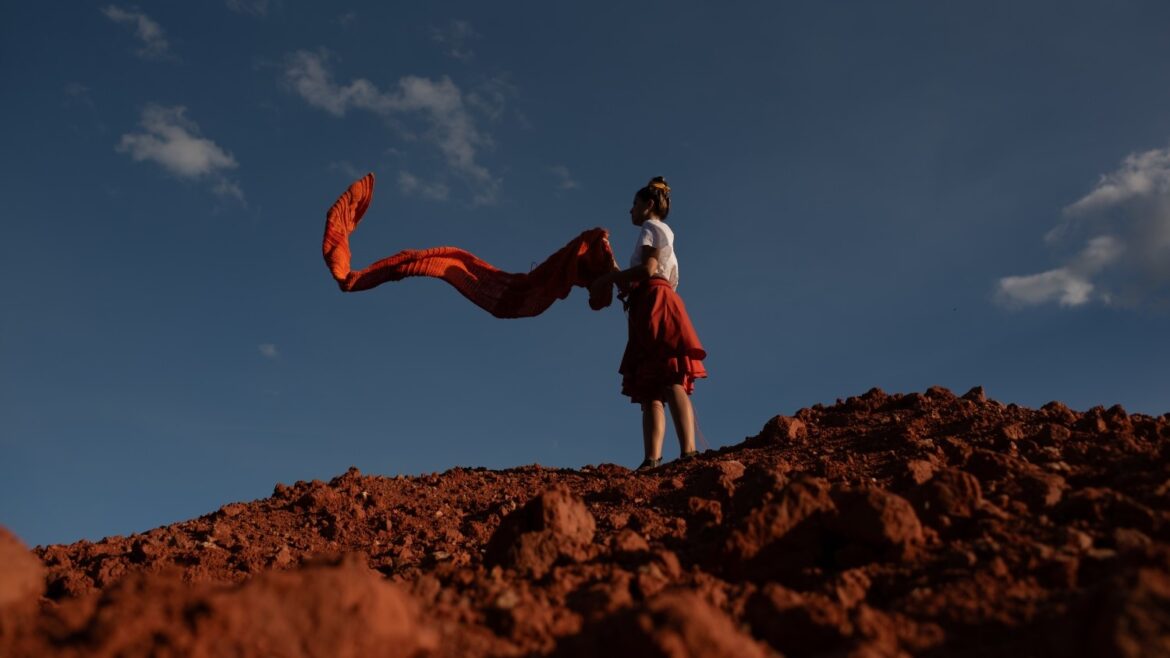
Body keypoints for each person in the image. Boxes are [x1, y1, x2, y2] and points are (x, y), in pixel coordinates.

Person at [590, 177, 708, 470]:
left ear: (648, 205)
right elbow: (646, 275)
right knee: (654, 385)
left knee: (665, 380)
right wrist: (615, 271)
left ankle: (680, 454)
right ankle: (659, 458)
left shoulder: (650, 227)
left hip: (655, 304)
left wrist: (606, 279)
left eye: (634, 204)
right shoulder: (664, 233)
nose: (630, 210)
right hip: (653, 303)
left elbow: (647, 270)